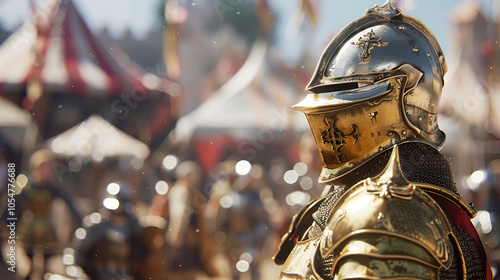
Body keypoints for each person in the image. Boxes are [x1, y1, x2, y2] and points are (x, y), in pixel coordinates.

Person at [273, 2, 492, 279]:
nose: (328, 115)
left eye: (348, 90)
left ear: (402, 96)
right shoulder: (348, 201)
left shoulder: (392, 216)